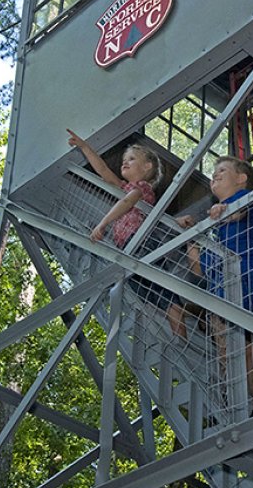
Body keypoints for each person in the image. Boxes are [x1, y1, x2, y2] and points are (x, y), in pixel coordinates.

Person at [67, 129, 187, 337]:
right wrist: (85, 147)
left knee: (163, 294)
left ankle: (180, 333)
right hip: (130, 248)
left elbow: (127, 202)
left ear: (147, 167)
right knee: (148, 292)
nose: (125, 162)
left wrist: (103, 223)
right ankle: (179, 328)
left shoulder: (142, 188)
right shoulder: (126, 186)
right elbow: (103, 171)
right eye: (125, 159)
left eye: (132, 159)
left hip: (142, 242)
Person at [178, 156, 253, 413]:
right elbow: (198, 268)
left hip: (242, 273)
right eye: (213, 172)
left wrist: (223, 211)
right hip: (220, 286)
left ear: (241, 179)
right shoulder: (214, 231)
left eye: (222, 171)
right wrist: (191, 238)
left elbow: (239, 211)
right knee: (224, 343)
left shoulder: (240, 199)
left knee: (246, 341)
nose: (215, 176)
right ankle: (236, 405)